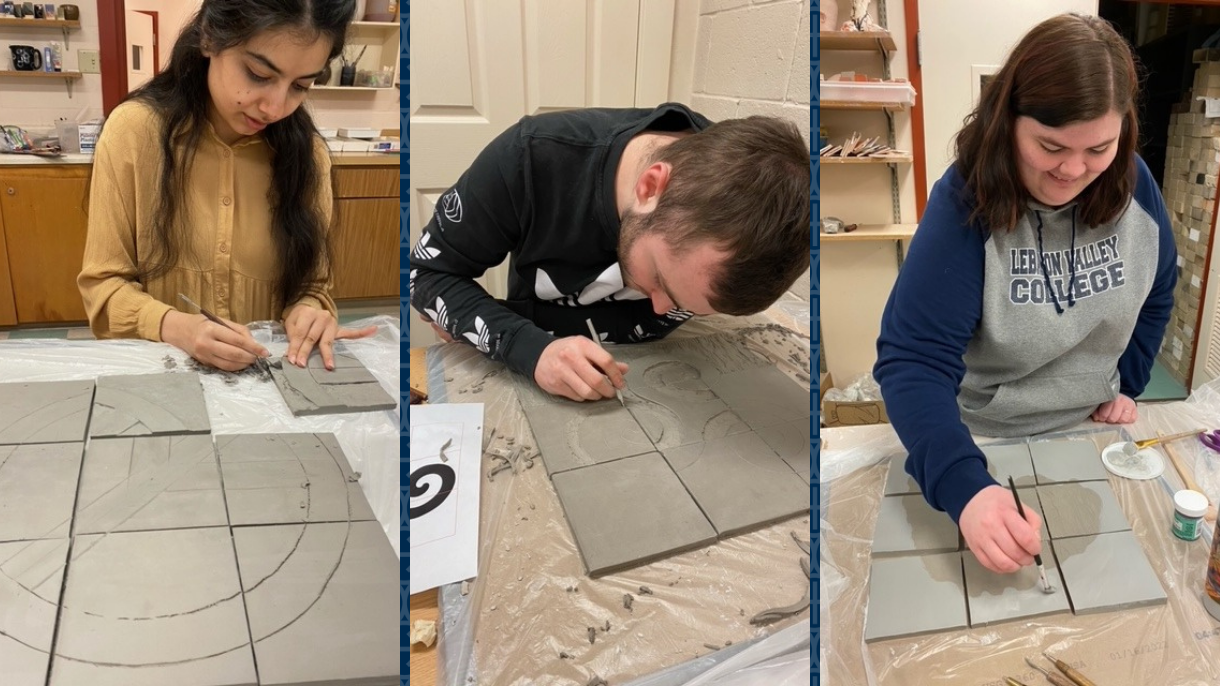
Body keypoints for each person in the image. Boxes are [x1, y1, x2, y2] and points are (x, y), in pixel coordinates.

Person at [874, 13, 1177, 574]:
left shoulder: (1135, 183)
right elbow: (912, 361)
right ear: (1007, 120)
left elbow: (1159, 290)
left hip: (1093, 425)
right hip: (980, 435)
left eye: (1099, 148)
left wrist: (1125, 382)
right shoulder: (965, 201)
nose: (1073, 170)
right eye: (1051, 145)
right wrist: (965, 486)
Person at [409, 105, 810, 402]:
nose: (659, 308)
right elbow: (426, 275)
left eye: (687, 305)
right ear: (651, 187)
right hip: (538, 367)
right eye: (659, 280)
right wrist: (526, 347)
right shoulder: (531, 158)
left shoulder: (737, 216)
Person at [78, 0, 376, 373]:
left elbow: (312, 285)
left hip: (267, 385)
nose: (275, 107)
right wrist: (178, 328)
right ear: (209, 37)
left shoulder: (308, 155)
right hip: (162, 377)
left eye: (301, 86)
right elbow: (104, 288)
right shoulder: (134, 133)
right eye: (258, 74)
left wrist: (309, 309)